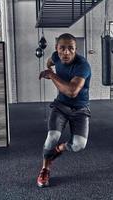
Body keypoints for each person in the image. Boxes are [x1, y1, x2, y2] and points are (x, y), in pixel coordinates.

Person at [37, 33, 92, 187]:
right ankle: (45, 169)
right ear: (57, 48)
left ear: (76, 50)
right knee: (52, 136)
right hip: (60, 106)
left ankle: (59, 148)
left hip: (80, 108)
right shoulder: (56, 56)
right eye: (62, 48)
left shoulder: (83, 66)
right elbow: (50, 61)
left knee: (78, 145)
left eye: (71, 49)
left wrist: (51, 75)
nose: (66, 52)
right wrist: (49, 67)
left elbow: (72, 92)